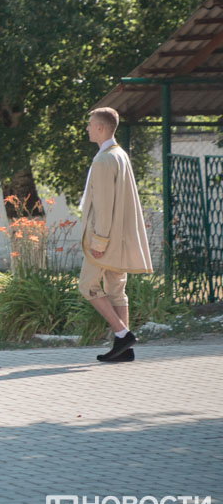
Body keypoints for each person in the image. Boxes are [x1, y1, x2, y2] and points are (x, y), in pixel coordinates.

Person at [78, 107, 153, 363]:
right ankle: (124, 350)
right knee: (116, 289)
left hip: (105, 239)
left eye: (90, 124)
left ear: (100, 127)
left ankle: (123, 334)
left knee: (87, 286)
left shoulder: (103, 160)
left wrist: (99, 241)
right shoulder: (119, 155)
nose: (87, 128)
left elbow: (103, 204)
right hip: (119, 237)